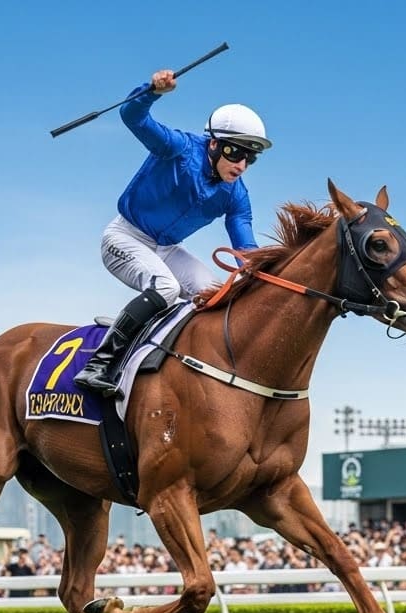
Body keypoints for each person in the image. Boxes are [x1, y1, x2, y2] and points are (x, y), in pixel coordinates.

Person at [74, 68, 272, 397]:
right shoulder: (178, 148)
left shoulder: (237, 195)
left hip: (165, 248)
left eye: (250, 158)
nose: (241, 165)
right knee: (165, 287)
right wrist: (151, 90)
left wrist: (262, 277)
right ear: (213, 144)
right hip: (124, 237)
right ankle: (100, 364)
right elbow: (133, 117)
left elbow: (245, 252)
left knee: (214, 293)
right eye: (235, 152)